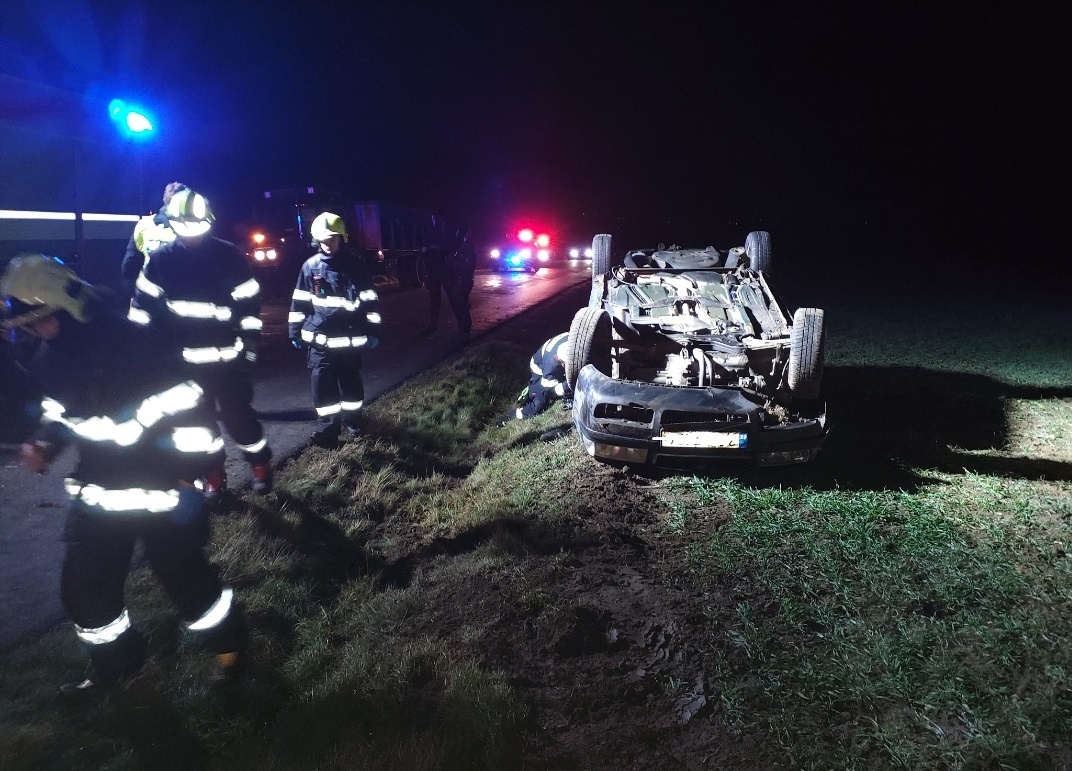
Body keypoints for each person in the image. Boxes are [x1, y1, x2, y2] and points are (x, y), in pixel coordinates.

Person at [1, 254, 247, 696]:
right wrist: (44, 443)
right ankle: (116, 665)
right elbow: (59, 411)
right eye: (27, 326)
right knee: (85, 586)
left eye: (40, 320)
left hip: (163, 485)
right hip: (100, 490)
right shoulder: (48, 358)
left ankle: (230, 651)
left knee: (184, 576)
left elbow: (190, 407)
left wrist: (190, 475)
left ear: (67, 307)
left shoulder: (134, 342)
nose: (35, 331)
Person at [129, 188, 273, 502]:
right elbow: (141, 311)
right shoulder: (160, 260)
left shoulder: (229, 255)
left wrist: (249, 343)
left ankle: (260, 465)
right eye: (185, 228)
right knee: (197, 427)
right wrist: (142, 354)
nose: (192, 236)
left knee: (239, 418)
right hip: (182, 366)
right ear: (172, 223)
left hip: (228, 362)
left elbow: (249, 303)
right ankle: (214, 476)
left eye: (197, 228)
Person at [288, 212, 382, 449]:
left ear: (341, 238)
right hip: (320, 343)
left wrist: (374, 331)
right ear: (316, 240)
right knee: (323, 389)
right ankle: (327, 433)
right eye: (323, 239)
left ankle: (354, 422)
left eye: (332, 239)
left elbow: (370, 300)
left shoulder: (355, 266)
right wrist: (294, 331)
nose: (328, 243)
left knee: (351, 386)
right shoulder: (310, 267)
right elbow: (299, 302)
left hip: (349, 341)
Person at [120, 181, 187, 296]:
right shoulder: (190, 229)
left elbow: (129, 265)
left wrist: (134, 294)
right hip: (180, 293)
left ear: (164, 199)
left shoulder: (144, 225)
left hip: (148, 293)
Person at [504, 332, 573, 422]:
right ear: (559, 360)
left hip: (549, 360)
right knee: (538, 403)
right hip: (539, 371)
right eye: (566, 364)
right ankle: (512, 415)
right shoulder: (551, 367)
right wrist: (568, 384)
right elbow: (554, 390)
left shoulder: (574, 343)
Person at [444, 223, 477, 344]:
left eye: (461, 234)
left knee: (461, 308)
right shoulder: (466, 246)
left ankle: (464, 334)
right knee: (461, 307)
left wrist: (452, 260)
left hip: (462, 280)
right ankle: (463, 332)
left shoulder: (468, 247)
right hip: (462, 280)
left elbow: (465, 264)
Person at [419, 242, 447, 339]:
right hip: (436, 275)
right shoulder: (432, 248)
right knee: (435, 300)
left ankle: (434, 323)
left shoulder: (433, 248)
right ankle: (433, 323)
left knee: (436, 300)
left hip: (440, 275)